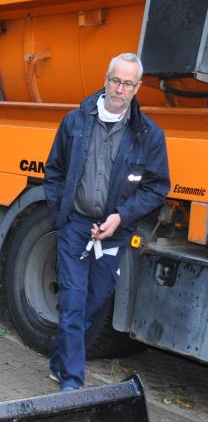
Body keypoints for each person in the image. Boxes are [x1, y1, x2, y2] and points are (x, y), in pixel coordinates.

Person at [42, 52, 170, 391]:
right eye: (116, 80)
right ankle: (72, 383)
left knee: (92, 304)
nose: (120, 88)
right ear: (105, 79)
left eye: (128, 83)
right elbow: (54, 170)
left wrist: (120, 217)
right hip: (75, 228)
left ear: (137, 87)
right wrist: (62, 214)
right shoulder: (76, 122)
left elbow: (157, 187)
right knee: (72, 301)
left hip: (112, 234)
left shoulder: (148, 134)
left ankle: (59, 362)